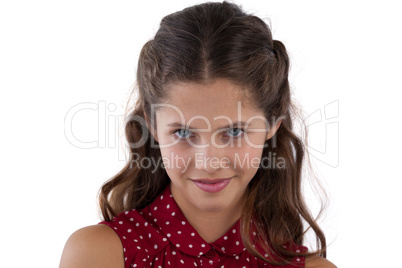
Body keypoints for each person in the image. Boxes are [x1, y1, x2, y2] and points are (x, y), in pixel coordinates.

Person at [60, 1, 336, 267]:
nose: (209, 162)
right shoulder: (100, 254)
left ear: (273, 123)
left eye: (234, 131)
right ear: (152, 125)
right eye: (182, 132)